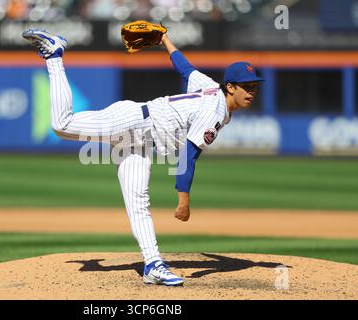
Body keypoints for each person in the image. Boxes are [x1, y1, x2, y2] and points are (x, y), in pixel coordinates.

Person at [22, 28, 263, 286]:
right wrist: (184, 200)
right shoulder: (214, 111)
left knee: (138, 203)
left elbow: (185, 68)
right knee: (62, 125)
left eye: (255, 86)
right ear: (230, 87)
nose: (252, 91)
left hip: (140, 141)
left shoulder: (209, 88)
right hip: (132, 121)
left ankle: (153, 265)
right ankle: (55, 55)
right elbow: (187, 157)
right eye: (246, 86)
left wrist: (166, 41)